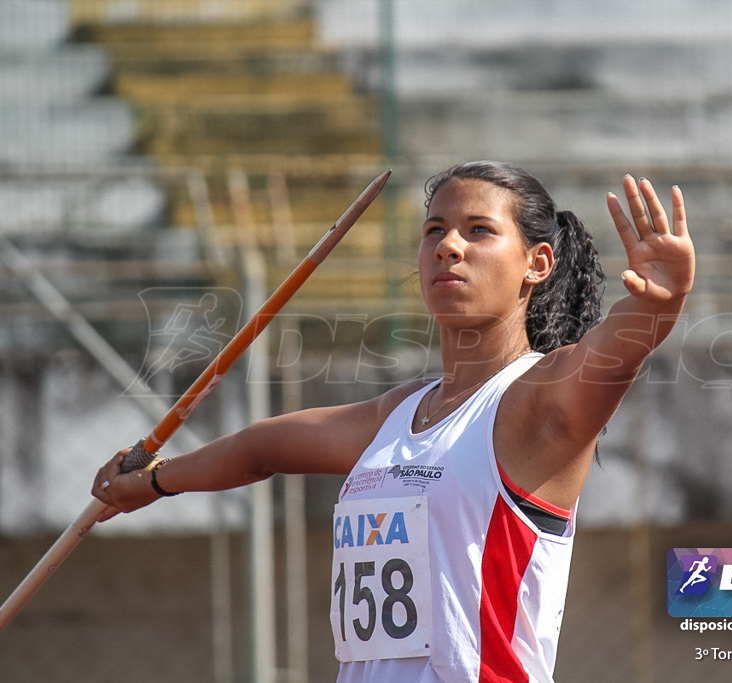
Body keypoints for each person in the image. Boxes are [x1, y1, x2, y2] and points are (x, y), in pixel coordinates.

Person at [92, 160, 695, 683]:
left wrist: (657, 305)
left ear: (537, 263)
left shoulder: (541, 402)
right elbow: (261, 448)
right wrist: (151, 481)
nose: (448, 246)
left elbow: (617, 351)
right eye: (435, 229)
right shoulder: (398, 414)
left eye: (478, 231)